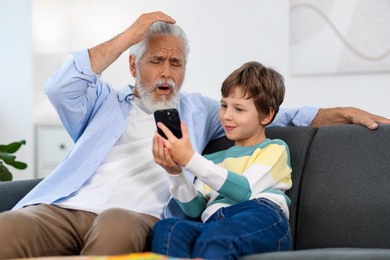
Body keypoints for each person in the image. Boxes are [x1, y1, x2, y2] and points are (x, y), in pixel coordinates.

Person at [0, 11, 388, 259]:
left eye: (176, 62)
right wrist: (131, 33)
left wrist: (341, 112)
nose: (167, 72)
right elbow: (59, 87)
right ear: (134, 63)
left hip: (133, 217)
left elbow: (271, 113)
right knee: (7, 229)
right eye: (156, 60)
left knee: (114, 228)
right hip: (65, 208)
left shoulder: (201, 110)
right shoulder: (100, 102)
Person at [151, 61, 292, 259]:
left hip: (259, 215)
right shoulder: (211, 160)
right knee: (168, 228)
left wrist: (190, 159)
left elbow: (244, 190)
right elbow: (194, 209)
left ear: (267, 115)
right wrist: (175, 172)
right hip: (213, 222)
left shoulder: (274, 149)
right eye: (224, 105)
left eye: (239, 109)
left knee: (217, 236)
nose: (226, 116)